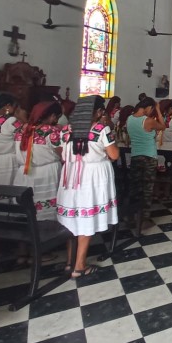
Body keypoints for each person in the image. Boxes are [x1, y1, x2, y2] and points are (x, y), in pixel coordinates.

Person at [56, 96, 119, 278]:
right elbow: (114, 155)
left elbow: (60, 152)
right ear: (99, 112)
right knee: (86, 220)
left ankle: (69, 262)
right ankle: (80, 266)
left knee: (72, 219)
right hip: (92, 179)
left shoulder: (66, 130)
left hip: (70, 177)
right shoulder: (101, 129)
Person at [14, 101, 63, 222]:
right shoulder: (52, 132)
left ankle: (25, 236)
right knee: (45, 215)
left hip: (24, 173)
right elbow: (62, 153)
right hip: (47, 174)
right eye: (56, 117)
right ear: (52, 116)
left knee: (27, 212)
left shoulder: (21, 129)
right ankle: (48, 234)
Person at [127, 98, 166, 227]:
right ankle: (144, 218)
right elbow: (163, 126)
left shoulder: (129, 119)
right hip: (149, 157)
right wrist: (159, 111)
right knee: (147, 189)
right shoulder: (148, 121)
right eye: (152, 109)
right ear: (148, 107)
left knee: (134, 187)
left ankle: (131, 217)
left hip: (135, 156)